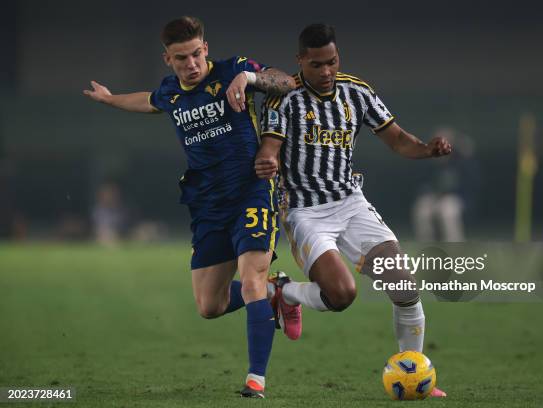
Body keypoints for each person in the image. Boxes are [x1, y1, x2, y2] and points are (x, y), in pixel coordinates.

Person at [83, 16, 298, 398]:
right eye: (181, 58)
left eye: (197, 54)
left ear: (206, 49)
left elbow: (286, 82)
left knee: (249, 281)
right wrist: (110, 99)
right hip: (207, 205)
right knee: (209, 305)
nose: (192, 64)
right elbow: (148, 102)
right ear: (168, 59)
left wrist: (249, 80)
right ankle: (275, 293)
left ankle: (256, 380)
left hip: (252, 190)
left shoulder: (234, 69)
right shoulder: (171, 92)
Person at [255, 23, 451, 397]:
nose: (327, 72)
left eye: (332, 62)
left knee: (404, 286)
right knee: (342, 295)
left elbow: (397, 139)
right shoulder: (284, 99)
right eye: (317, 65)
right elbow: (270, 148)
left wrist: (428, 149)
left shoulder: (356, 91)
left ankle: (413, 375)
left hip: (350, 203)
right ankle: (286, 293)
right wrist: (267, 162)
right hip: (305, 212)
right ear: (300, 62)